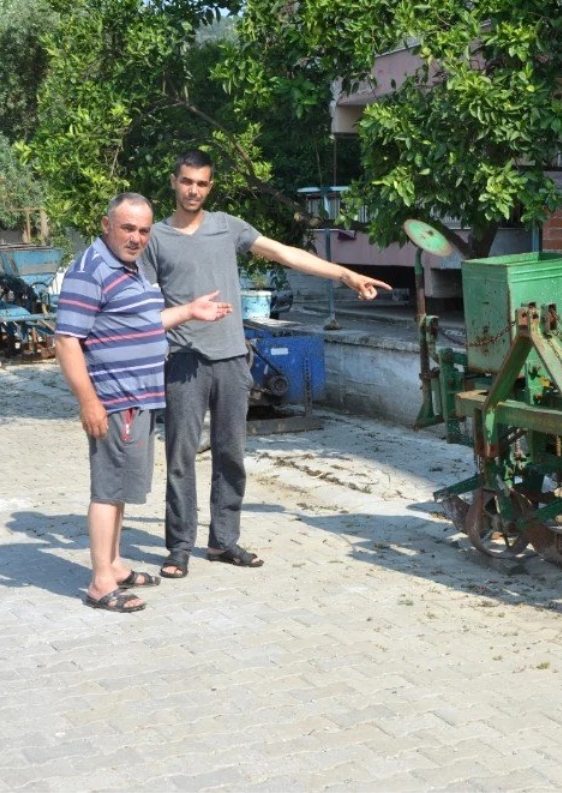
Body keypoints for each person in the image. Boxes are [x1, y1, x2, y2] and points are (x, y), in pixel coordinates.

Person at [141, 149, 392, 579]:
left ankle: (223, 541)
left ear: (210, 186)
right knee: (181, 456)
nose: (194, 190)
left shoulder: (227, 227)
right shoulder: (156, 239)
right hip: (183, 362)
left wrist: (345, 275)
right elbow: (142, 304)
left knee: (231, 454)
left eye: (202, 183)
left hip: (233, 359)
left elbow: (284, 253)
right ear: (173, 181)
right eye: (187, 182)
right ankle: (179, 546)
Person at [56, 193, 233, 613]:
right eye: (127, 228)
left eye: (143, 230)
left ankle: (115, 565)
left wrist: (189, 310)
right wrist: (89, 402)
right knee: (107, 489)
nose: (136, 237)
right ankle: (101, 583)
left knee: (121, 489)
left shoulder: (128, 269)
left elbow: (142, 323)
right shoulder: (91, 269)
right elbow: (66, 341)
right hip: (114, 398)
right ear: (106, 225)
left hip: (137, 398)